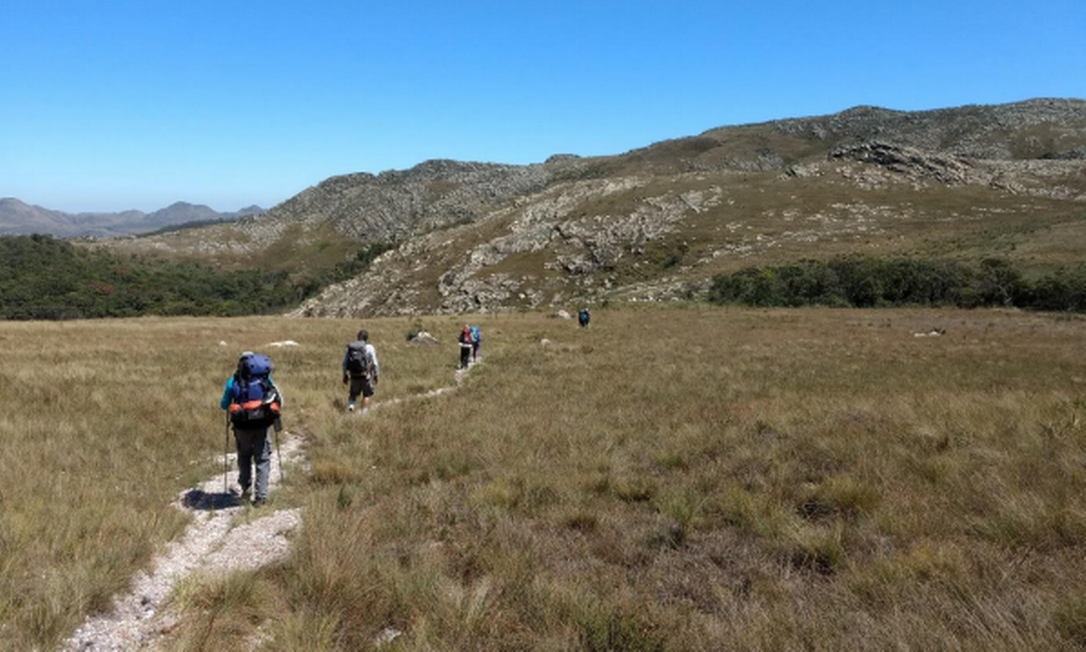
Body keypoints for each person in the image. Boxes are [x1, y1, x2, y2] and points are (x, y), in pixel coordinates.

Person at [220, 352, 282, 507]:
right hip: (261, 425)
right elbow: (277, 397)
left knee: (244, 456)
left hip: (241, 426)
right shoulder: (265, 378)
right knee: (262, 459)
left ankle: (245, 489)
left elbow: (223, 405)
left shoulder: (233, 381)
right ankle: (261, 497)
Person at [343, 330, 379, 414]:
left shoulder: (351, 348)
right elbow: (375, 363)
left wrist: (345, 375)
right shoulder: (370, 348)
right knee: (366, 394)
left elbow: (344, 363)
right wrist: (376, 375)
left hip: (354, 374)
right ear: (367, 338)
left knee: (353, 394)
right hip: (365, 375)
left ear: (357, 337)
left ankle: (351, 406)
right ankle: (364, 413)